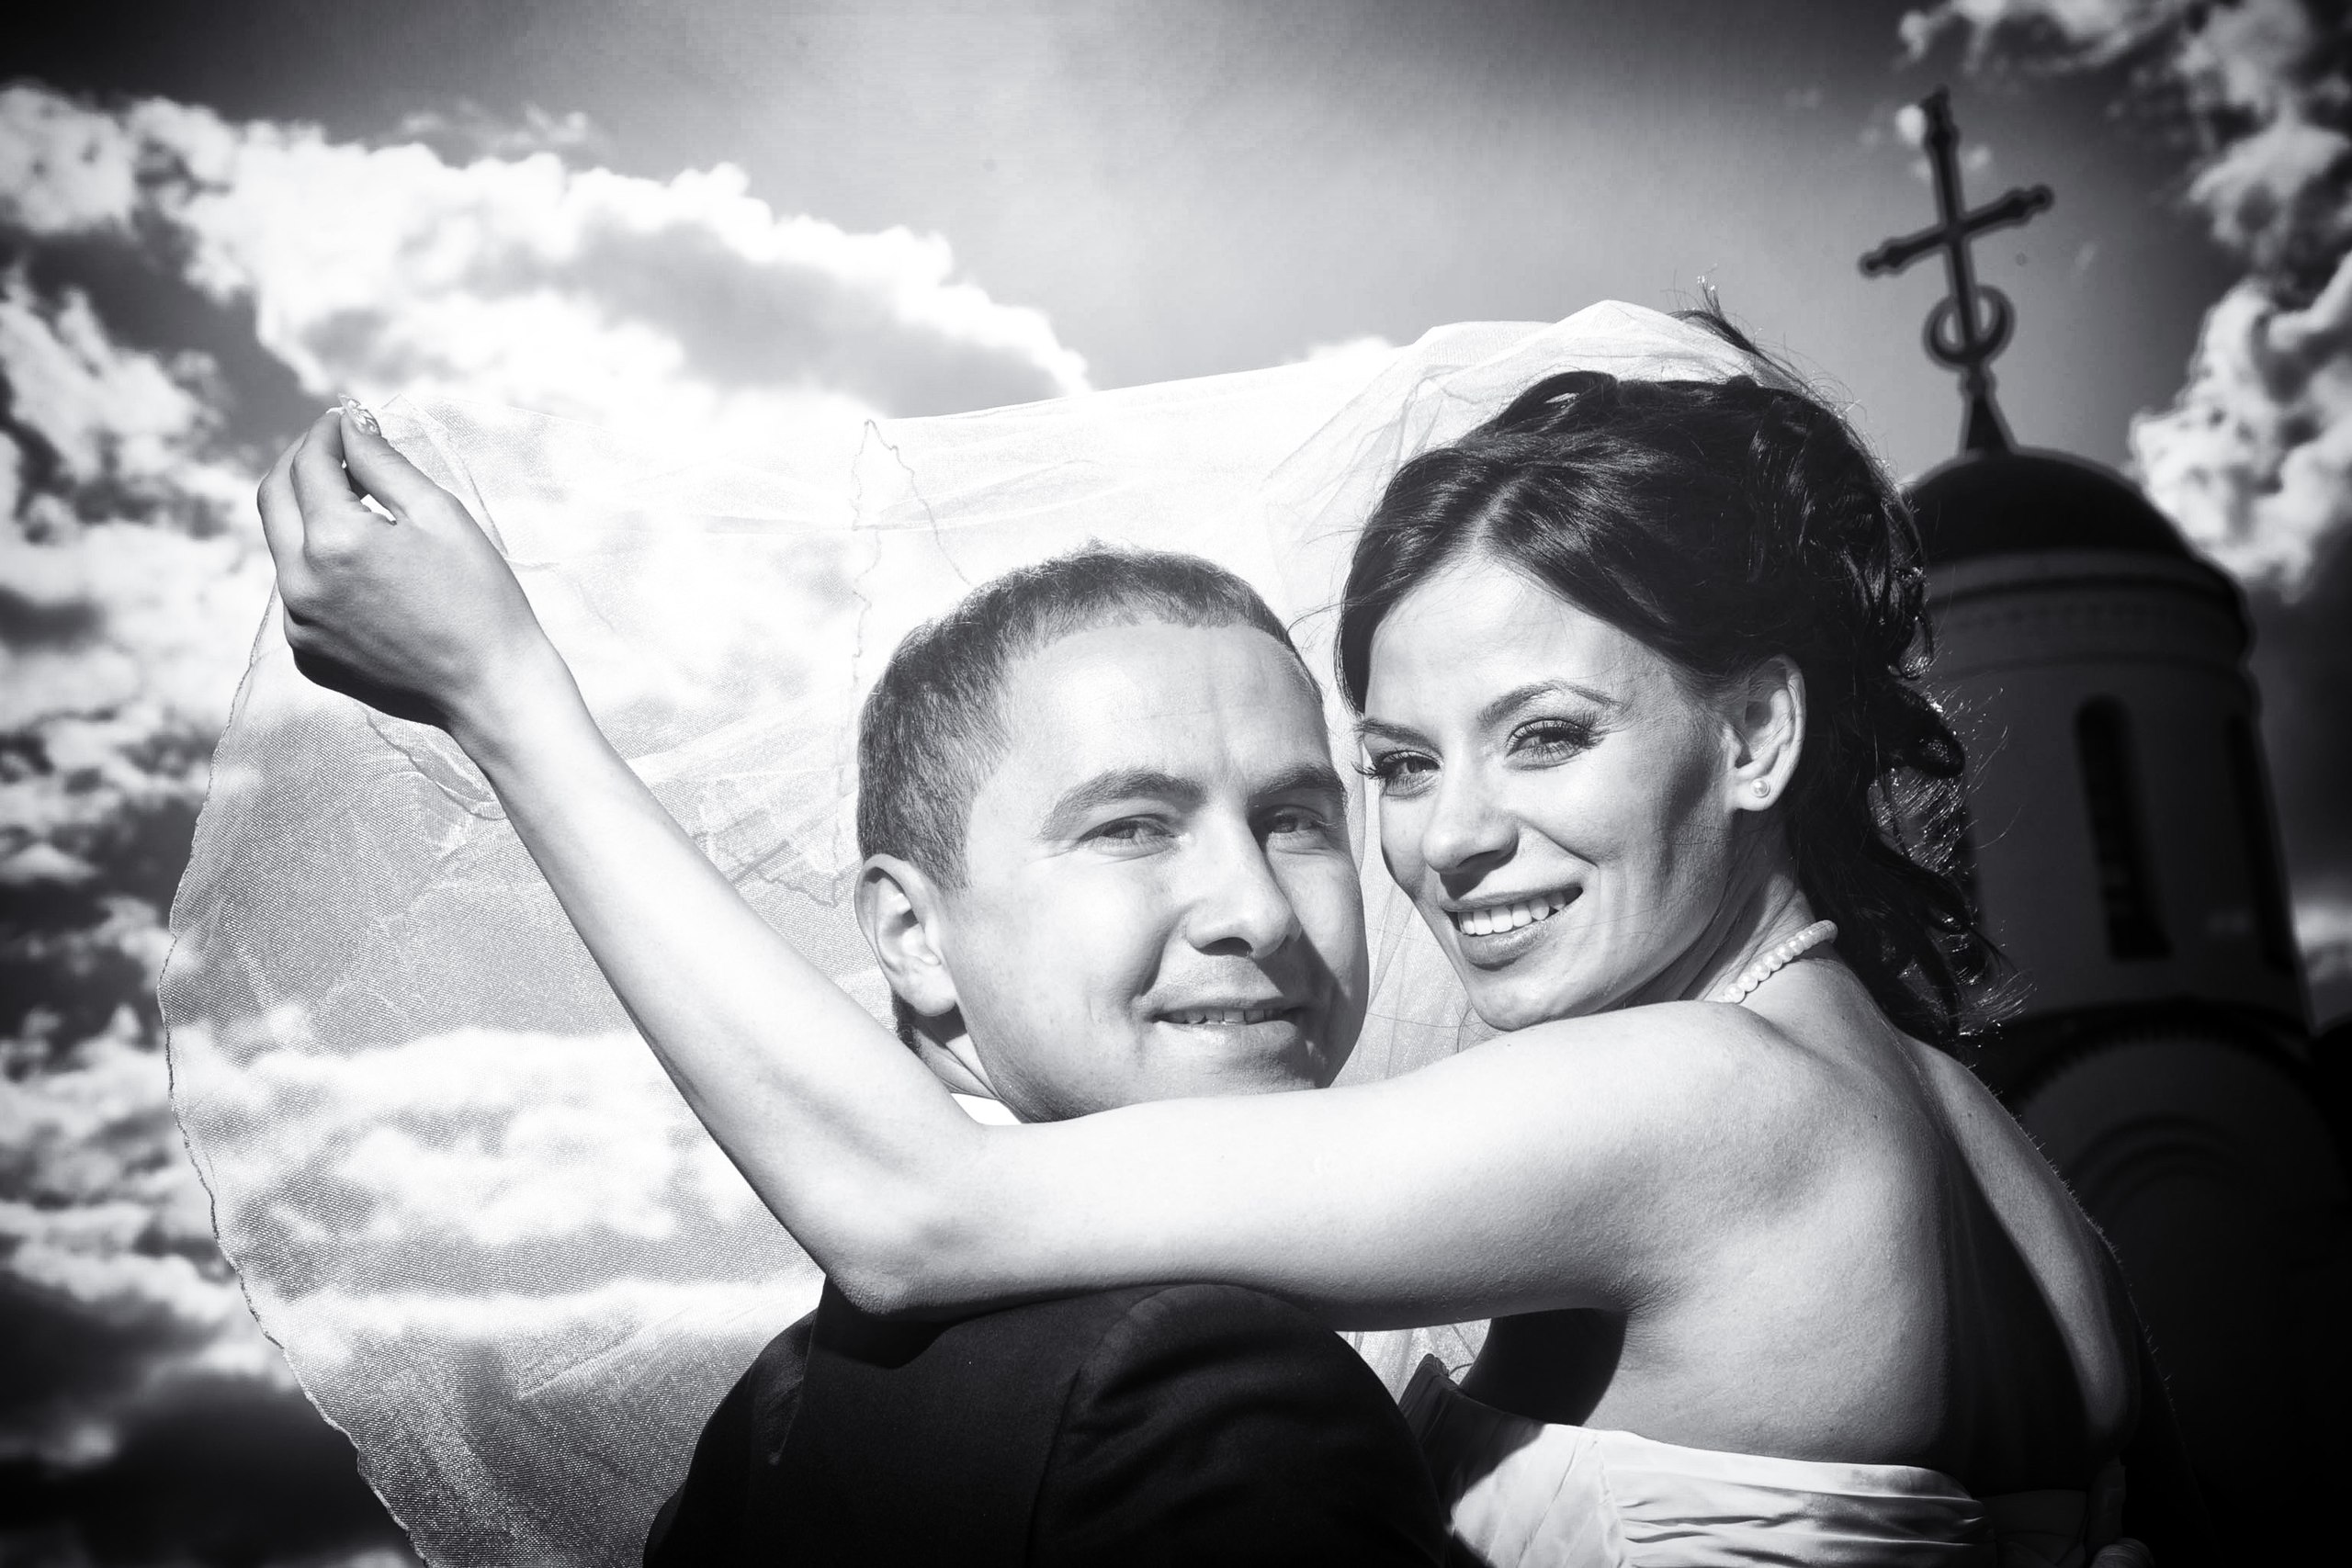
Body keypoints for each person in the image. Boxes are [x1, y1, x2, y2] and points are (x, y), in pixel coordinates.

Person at [256, 310, 2202, 1564]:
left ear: (1757, 730)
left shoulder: (1694, 1099)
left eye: (1546, 735)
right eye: (1400, 764)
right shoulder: (1986, 1140)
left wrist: (505, 694)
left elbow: (917, 1208)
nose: (1452, 836)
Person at [637, 547, 1453, 1565]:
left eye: (1293, 820)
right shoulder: (1196, 1389)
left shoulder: (780, 1398)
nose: (1260, 911)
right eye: (1132, 828)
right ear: (912, 935)